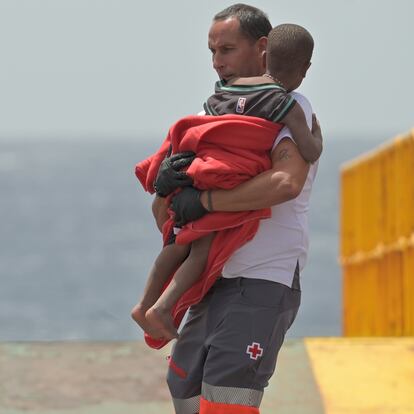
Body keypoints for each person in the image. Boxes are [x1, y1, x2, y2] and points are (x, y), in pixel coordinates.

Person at [153, 4, 321, 414]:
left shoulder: (289, 106)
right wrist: (164, 189)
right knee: (183, 387)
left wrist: (205, 199)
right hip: (211, 277)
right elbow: (169, 220)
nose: (217, 62)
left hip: (262, 277)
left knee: (227, 400)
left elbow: (286, 182)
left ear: (262, 48)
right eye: (212, 51)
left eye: (227, 49)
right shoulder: (208, 114)